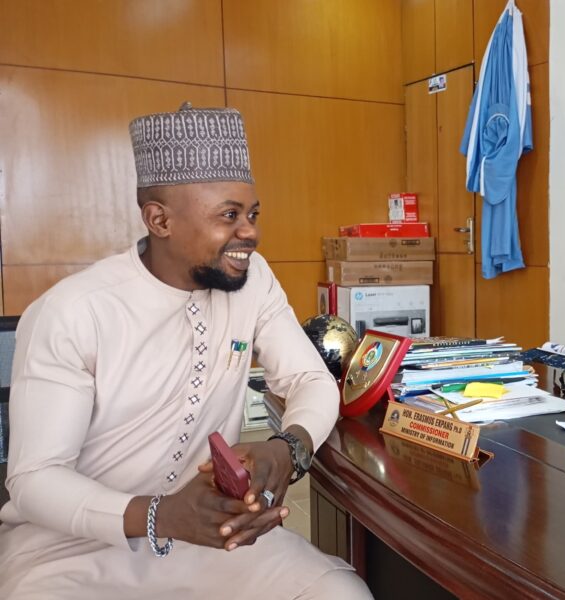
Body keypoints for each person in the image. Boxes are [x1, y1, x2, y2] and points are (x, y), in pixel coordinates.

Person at [0, 103, 372, 599]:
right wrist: (162, 515)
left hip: (212, 539)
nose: (251, 233)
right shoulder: (74, 311)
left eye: (253, 213)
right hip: (72, 552)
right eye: (229, 216)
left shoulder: (253, 280)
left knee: (338, 593)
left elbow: (310, 381)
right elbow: (35, 480)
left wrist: (288, 449)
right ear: (159, 219)